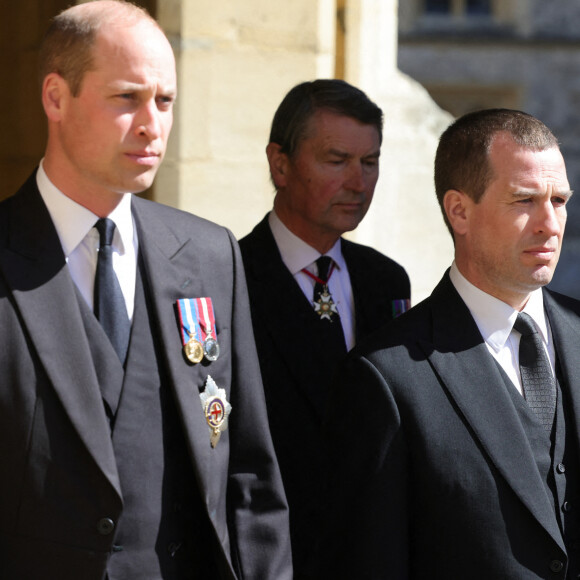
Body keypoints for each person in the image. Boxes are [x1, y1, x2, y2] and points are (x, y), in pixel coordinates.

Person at [0, 2, 292, 579]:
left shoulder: (210, 255)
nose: (151, 125)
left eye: (165, 102)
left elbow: (249, 474)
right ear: (56, 97)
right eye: (127, 98)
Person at [320, 108, 580, 579]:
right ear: (459, 210)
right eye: (524, 200)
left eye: (559, 200)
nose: (550, 223)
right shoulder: (387, 377)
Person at [238, 79, 410, 578]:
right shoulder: (228, 275)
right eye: (336, 160)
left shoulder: (385, 279)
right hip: (274, 555)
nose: (358, 182)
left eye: (370, 162)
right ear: (280, 164)